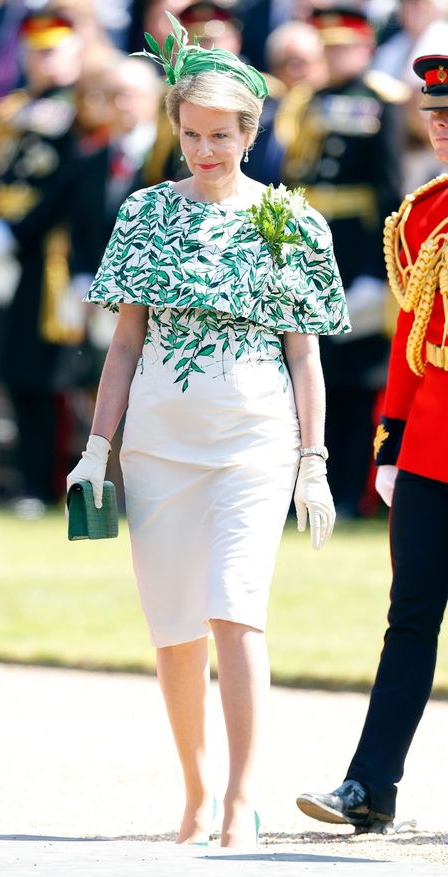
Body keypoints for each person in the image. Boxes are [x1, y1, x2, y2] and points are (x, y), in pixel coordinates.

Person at [67, 12, 350, 848]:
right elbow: (124, 346)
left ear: (252, 133)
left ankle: (239, 798)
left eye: (221, 136)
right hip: (157, 445)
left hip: (253, 443)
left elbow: (306, 357)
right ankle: (194, 790)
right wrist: (95, 451)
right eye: (191, 134)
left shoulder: (291, 221)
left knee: (238, 612)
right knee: (175, 632)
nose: (205, 150)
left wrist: (312, 460)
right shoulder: (147, 212)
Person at [296, 53, 448, 833]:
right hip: (432, 446)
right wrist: (391, 440)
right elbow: (410, 340)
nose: (446, 134)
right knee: (410, 617)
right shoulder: (424, 214)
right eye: (438, 120)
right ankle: (371, 784)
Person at [280, 6, 404, 518]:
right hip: (307, 248)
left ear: (366, 49)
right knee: (303, 372)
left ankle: (351, 493)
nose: (334, 56)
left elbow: (389, 190)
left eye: (343, 47)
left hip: (354, 252)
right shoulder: (308, 101)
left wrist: (380, 272)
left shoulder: (383, 103)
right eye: (326, 47)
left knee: (352, 383)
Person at [0, 7, 86, 514]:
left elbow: (67, 183)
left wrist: (17, 232)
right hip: (2, 250)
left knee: (48, 374)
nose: (43, 60)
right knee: (11, 366)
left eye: (53, 50)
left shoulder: (79, 108)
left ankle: (47, 482)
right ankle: (23, 480)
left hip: (48, 255)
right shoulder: (13, 108)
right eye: (35, 51)